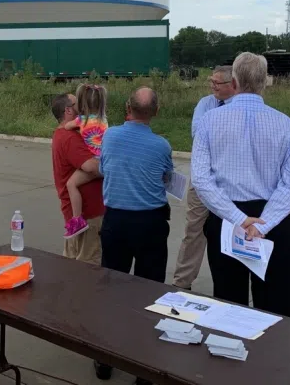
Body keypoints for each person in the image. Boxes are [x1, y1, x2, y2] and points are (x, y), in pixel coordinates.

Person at [192, 52, 290, 318]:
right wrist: (262, 223)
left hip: (228, 219)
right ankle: (274, 358)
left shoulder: (209, 121)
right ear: (265, 82)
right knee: (275, 307)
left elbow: (201, 179)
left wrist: (239, 219)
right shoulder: (286, 124)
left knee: (229, 305)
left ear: (233, 82)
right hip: (272, 222)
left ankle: (231, 356)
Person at [96, 87, 173, 384]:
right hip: (150, 223)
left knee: (112, 290)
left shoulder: (110, 136)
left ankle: (104, 356)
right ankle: (144, 366)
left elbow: (104, 167)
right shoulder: (161, 146)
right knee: (150, 292)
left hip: (116, 221)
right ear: (155, 112)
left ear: (128, 107)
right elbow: (167, 178)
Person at [173, 66, 236, 290]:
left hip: (229, 183)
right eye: (211, 81)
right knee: (194, 230)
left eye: (217, 83)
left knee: (230, 232)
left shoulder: (241, 106)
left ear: (233, 85)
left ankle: (229, 285)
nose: (212, 86)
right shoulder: (205, 103)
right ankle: (182, 282)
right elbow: (198, 134)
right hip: (202, 179)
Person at [51, 93, 105, 264]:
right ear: (68, 110)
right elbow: (91, 167)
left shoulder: (67, 133)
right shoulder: (69, 138)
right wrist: (115, 166)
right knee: (89, 265)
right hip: (88, 215)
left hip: (79, 216)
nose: (81, 105)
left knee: (73, 266)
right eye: (77, 103)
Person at [62, 83, 108, 238]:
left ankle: (77, 220)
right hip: (104, 161)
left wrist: (74, 124)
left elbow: (67, 127)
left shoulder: (81, 120)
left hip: (93, 163)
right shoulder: (104, 120)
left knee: (71, 184)